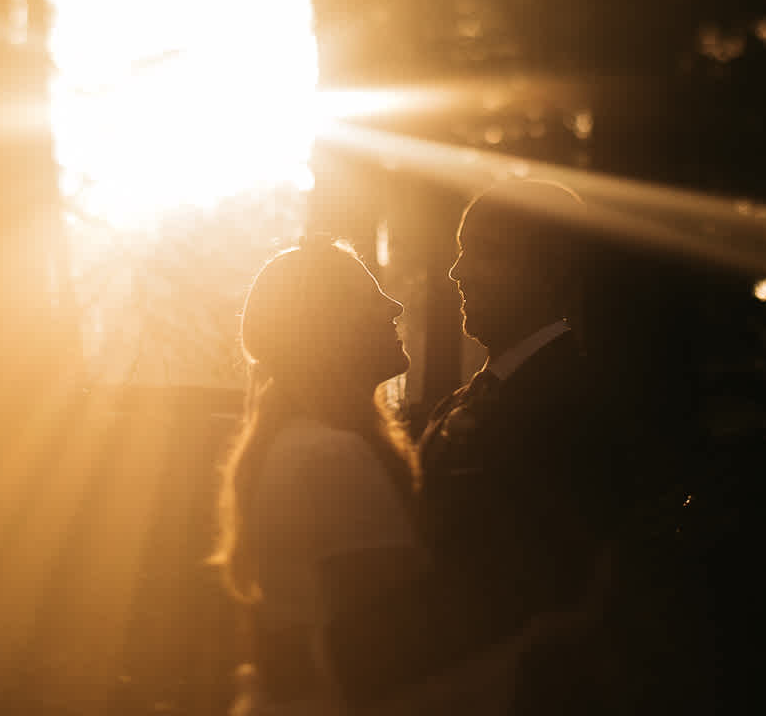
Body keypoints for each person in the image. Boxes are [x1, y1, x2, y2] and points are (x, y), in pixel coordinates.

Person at [416, 177, 709, 712]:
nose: (457, 273)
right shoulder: (466, 399)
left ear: (549, 272)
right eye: (461, 253)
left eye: (484, 253)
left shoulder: (577, 408)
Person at [212, 237, 522, 716]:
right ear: (325, 327)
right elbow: (384, 665)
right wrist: (539, 648)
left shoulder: (295, 442)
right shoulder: (330, 456)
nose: (393, 305)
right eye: (369, 296)